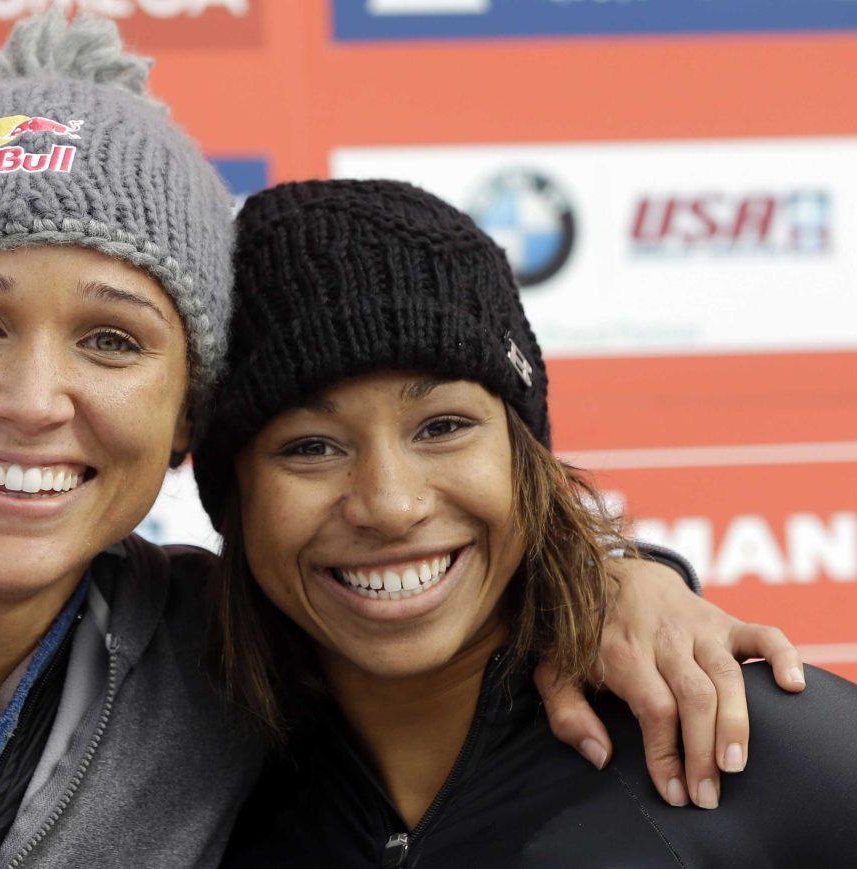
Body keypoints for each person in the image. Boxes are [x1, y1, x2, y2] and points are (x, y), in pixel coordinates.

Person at [0, 15, 803, 869]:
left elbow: (434, 628)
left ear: (182, 419)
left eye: (112, 340)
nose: (35, 395)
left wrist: (617, 587)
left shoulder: (222, 657)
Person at [192, 179, 857, 868]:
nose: (390, 504)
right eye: (310, 447)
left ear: (523, 457)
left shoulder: (749, 741)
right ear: (234, 492)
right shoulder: (190, 789)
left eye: (442, 427)